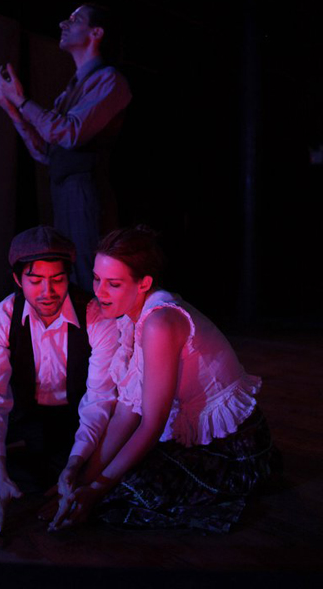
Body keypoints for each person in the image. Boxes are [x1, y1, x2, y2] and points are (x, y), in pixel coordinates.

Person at [50, 226, 281, 533]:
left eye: (114, 284)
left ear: (144, 283)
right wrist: (81, 477)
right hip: (200, 440)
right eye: (96, 279)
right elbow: (126, 412)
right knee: (104, 483)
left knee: (121, 492)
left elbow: (151, 424)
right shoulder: (132, 317)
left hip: (235, 448)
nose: (100, 292)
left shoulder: (159, 322)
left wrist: (95, 489)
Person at [0, 225, 117, 541]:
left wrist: (75, 463)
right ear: (17, 280)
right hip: (19, 410)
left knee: (53, 476)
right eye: (35, 281)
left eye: (57, 279)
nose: (47, 292)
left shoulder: (95, 317)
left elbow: (99, 401)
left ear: (68, 277)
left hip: (70, 419)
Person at [0, 4, 132, 292]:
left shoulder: (110, 80)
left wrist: (21, 102)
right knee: (69, 270)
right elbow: (46, 150)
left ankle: (101, 322)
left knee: (90, 272)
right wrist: (12, 108)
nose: (62, 24)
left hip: (86, 188)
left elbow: (68, 134)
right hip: (64, 188)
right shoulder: (72, 89)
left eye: (74, 20)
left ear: (96, 32)